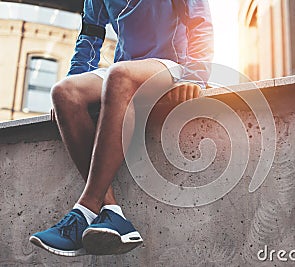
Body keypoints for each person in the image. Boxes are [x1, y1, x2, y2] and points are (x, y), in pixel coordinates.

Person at [29, 0, 213, 256]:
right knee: (64, 92)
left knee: (119, 75)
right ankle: (112, 213)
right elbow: (90, 36)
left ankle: (84, 210)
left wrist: (196, 76)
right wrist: (75, 77)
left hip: (171, 64)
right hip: (124, 69)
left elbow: (199, 20)